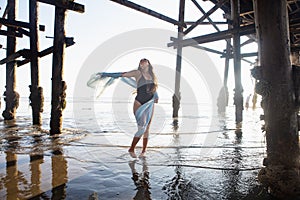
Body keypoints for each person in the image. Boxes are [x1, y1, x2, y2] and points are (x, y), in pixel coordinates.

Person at [121, 58, 158, 158]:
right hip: (139, 103)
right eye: (141, 64)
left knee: (147, 129)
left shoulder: (152, 76)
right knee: (142, 128)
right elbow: (124, 74)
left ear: (148, 65)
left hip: (150, 104)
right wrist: (109, 75)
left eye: (145, 63)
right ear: (140, 65)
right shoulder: (137, 73)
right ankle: (131, 149)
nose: (143, 65)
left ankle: (144, 151)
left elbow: (153, 88)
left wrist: (156, 96)